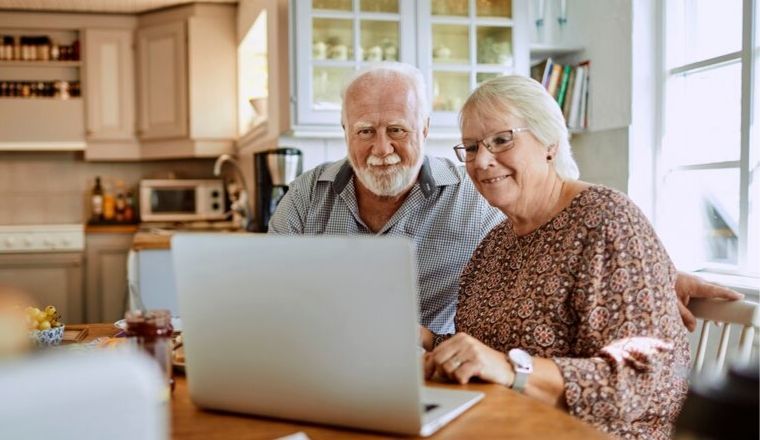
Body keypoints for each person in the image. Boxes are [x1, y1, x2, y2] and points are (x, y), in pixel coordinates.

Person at [268, 62, 742, 335]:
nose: (382, 149)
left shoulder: (474, 195)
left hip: (432, 382)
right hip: (321, 360)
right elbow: (267, 285)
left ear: (425, 131)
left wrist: (652, 271)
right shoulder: (310, 194)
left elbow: (568, 226)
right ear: (345, 132)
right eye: (365, 131)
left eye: (397, 130)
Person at [420, 75, 689, 438]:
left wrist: (514, 369)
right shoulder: (494, 244)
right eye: (470, 147)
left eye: (502, 140)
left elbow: (645, 380)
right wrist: (429, 342)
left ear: (550, 144)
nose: (482, 161)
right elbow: (488, 350)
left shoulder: (605, 220)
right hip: (509, 426)